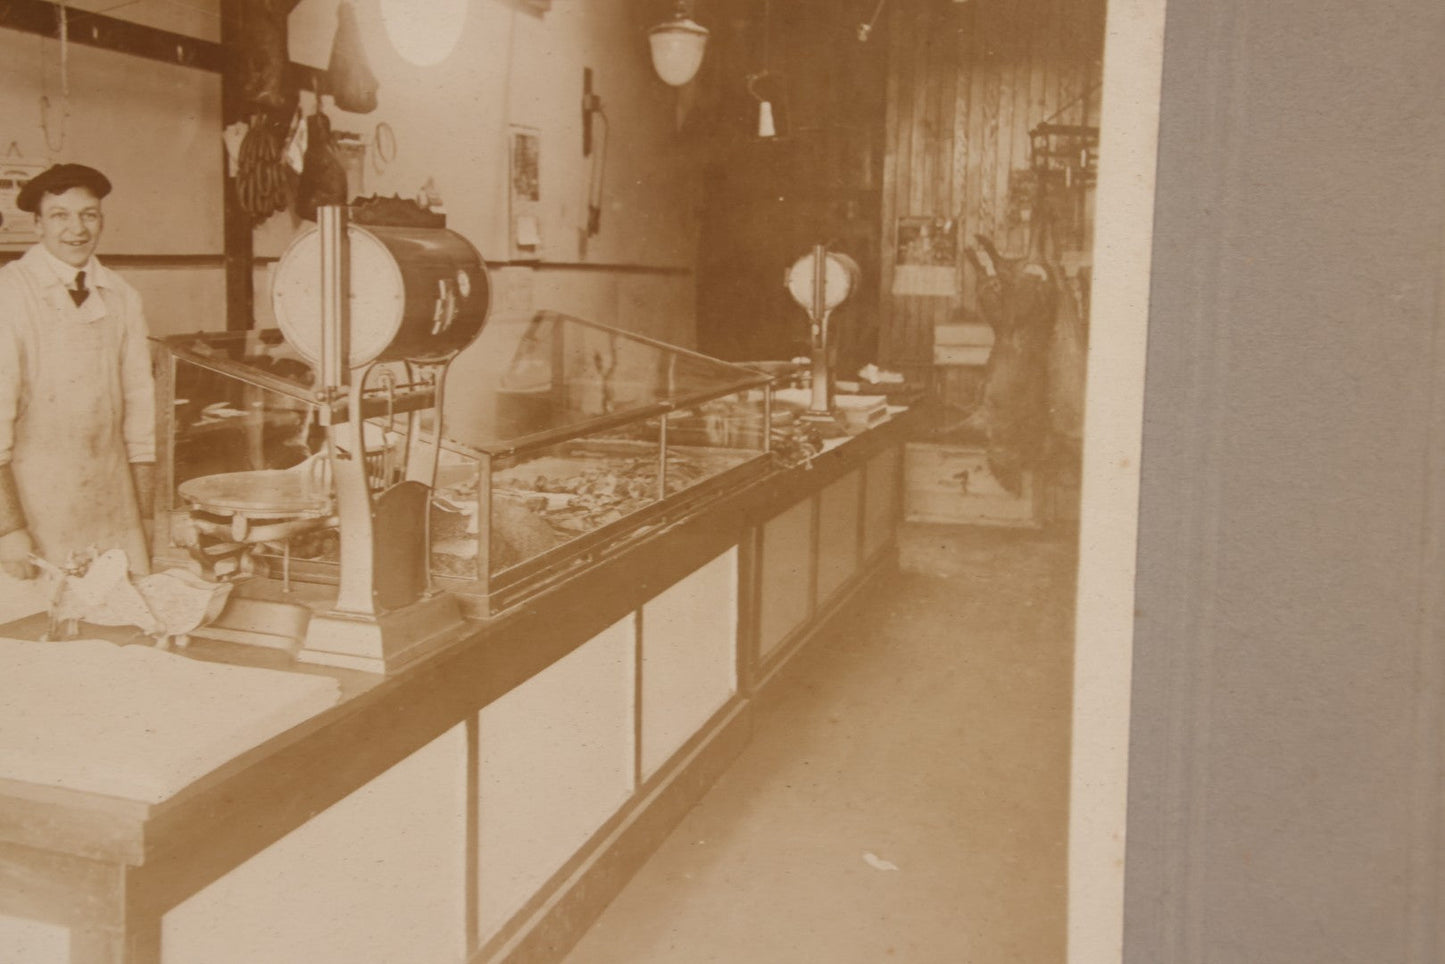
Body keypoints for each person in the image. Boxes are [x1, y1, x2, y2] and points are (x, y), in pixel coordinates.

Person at [0, 163, 155, 580]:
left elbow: (142, 420)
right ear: (37, 225)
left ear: (101, 220)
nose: (77, 229)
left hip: (112, 508)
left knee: (120, 632)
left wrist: (145, 515)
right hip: (33, 513)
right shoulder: (10, 293)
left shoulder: (123, 297)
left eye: (88, 214)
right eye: (60, 215)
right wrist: (9, 529)